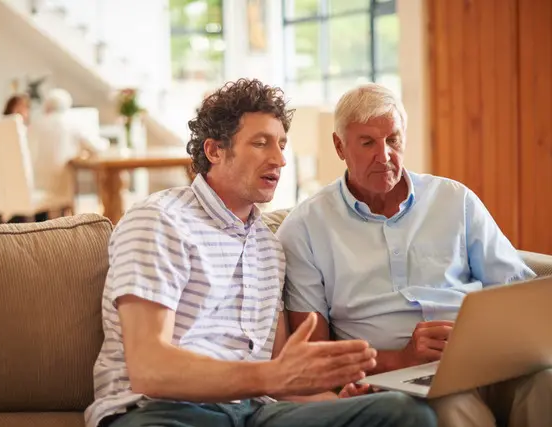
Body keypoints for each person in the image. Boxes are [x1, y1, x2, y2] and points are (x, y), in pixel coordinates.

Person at [83, 79, 437, 427]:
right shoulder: (160, 221)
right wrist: (273, 376)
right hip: (164, 412)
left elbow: (283, 377)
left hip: (255, 412)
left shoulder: (269, 246)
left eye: (282, 144)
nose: (280, 159)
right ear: (214, 151)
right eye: (261, 143)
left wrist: (332, 402)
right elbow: (150, 370)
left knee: (403, 413)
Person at [276, 82, 552, 427]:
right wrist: (401, 358)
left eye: (393, 139)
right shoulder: (304, 227)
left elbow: (518, 292)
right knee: (455, 407)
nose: (385, 155)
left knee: (547, 385)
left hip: (491, 360)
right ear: (339, 146)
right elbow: (314, 356)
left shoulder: (454, 199)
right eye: (367, 143)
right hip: (403, 377)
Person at [27, 88, 108, 206]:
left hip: (33, 188)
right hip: (59, 189)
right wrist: (108, 143)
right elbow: (96, 147)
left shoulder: (35, 124)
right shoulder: (71, 123)